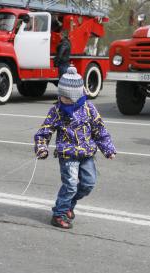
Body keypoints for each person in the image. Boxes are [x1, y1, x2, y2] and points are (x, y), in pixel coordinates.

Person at [34, 67, 116, 229]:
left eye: (66, 97)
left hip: (86, 153)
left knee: (88, 184)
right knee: (70, 185)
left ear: (76, 95)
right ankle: (59, 214)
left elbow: (99, 129)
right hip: (68, 154)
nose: (62, 99)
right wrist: (41, 147)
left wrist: (108, 149)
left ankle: (68, 204)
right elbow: (45, 131)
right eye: (61, 95)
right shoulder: (57, 110)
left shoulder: (89, 108)